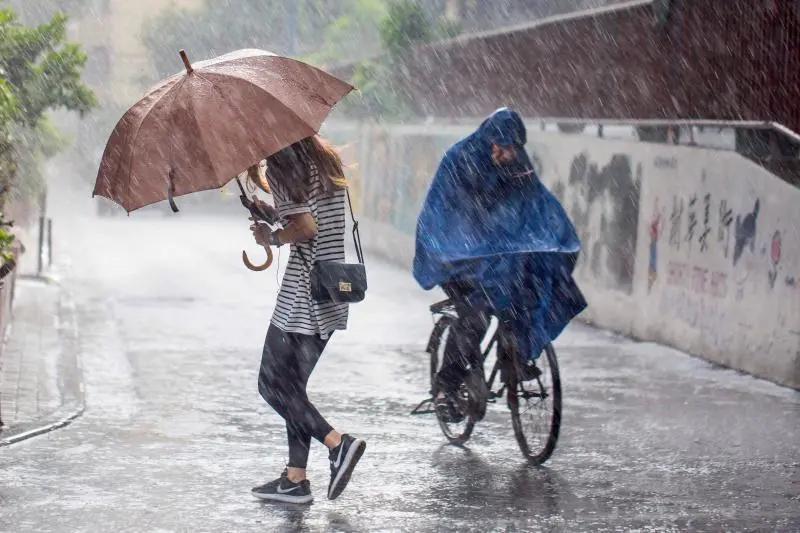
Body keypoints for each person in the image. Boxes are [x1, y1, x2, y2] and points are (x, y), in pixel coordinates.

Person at [413, 108, 587, 418]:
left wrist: (555, 239)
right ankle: (447, 385)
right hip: (453, 253)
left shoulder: (516, 164)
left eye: (511, 148)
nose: (504, 153)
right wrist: (472, 248)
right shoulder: (460, 160)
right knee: (476, 314)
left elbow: (536, 204)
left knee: (527, 294)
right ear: (488, 140)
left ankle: (516, 359)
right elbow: (450, 215)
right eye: (500, 146)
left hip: (494, 255)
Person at [247, 136, 366, 504]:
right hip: (330, 291)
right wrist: (272, 213)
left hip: (300, 299)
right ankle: (295, 479)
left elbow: (306, 228)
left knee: (271, 386)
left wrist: (274, 236)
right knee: (292, 389)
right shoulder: (321, 160)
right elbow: (313, 217)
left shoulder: (284, 168)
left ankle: (337, 443)